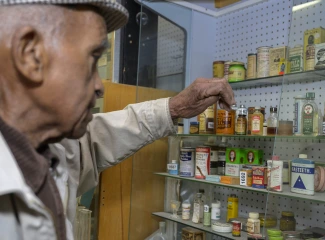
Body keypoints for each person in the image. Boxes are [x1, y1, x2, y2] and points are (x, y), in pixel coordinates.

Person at [0, 1, 235, 239]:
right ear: (30, 55)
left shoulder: (54, 144)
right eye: (92, 58)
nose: (99, 87)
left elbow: (96, 137)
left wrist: (175, 108)